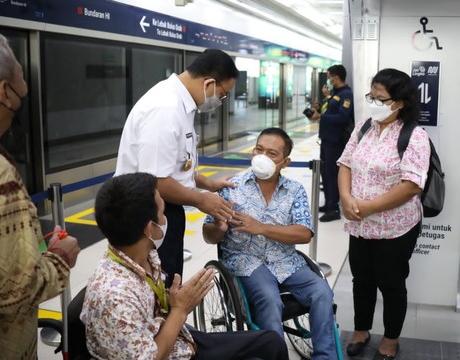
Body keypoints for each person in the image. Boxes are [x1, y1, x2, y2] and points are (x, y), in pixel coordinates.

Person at [83, 172, 288, 360]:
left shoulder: (142, 254)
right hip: (169, 351)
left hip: (178, 339)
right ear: (149, 228)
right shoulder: (115, 297)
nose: (165, 219)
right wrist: (180, 310)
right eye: (163, 212)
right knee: (265, 349)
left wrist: (173, 303)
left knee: (270, 342)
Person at [0, 30, 81, 358]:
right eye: (21, 77)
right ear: (4, 92)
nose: (25, 89)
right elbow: (13, 289)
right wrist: (60, 258)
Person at [202, 128, 337, 359]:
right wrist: (218, 228)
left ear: (285, 162)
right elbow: (208, 234)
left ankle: (325, 356)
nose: (262, 157)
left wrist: (261, 228)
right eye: (259, 149)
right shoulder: (231, 188)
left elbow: (304, 234)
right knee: (270, 299)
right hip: (246, 261)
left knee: (322, 292)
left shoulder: (295, 190)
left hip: (286, 261)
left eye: (272, 153)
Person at [115, 49, 237, 286]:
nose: (220, 102)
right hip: (146, 214)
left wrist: (208, 183)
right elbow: (157, 181)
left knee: (168, 278)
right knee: (159, 286)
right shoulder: (166, 108)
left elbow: (175, 165)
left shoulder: (181, 103)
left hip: (164, 207)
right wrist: (202, 200)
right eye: (223, 95)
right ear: (209, 82)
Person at [337, 68, 430, 360]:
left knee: (391, 284)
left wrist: (368, 207)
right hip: (359, 223)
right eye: (371, 96)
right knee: (361, 279)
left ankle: (391, 338)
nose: (373, 103)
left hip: (395, 227)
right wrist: (345, 197)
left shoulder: (414, 136)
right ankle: (361, 329)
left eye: (380, 98)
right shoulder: (364, 126)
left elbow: (412, 185)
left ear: (399, 102)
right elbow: (345, 163)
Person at [311, 64, 355, 222]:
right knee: (324, 171)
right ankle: (328, 203)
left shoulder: (346, 95)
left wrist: (321, 117)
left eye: (329, 77)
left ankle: (334, 208)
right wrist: (317, 110)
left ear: (336, 77)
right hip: (326, 139)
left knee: (332, 173)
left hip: (337, 141)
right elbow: (327, 111)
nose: (328, 80)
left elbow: (342, 118)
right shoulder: (333, 94)